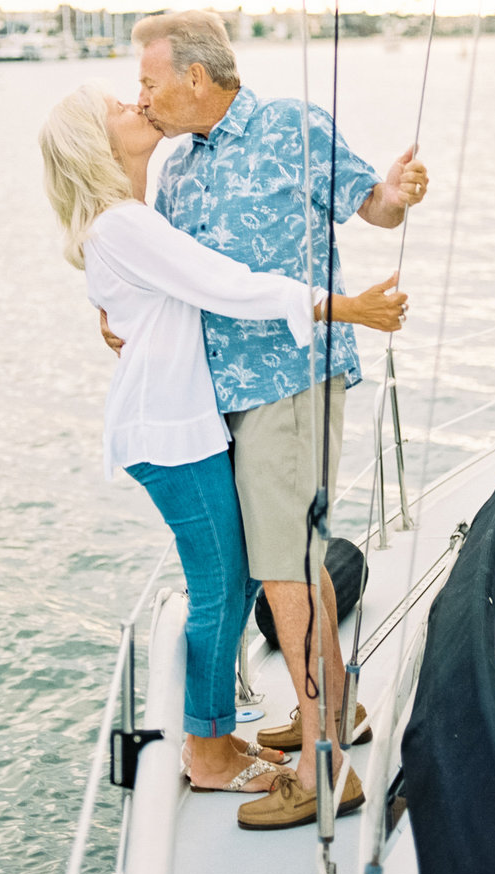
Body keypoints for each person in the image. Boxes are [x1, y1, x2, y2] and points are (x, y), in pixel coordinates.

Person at [39, 81, 408, 797]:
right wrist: (344, 307)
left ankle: (245, 727)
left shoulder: (132, 216)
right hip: (171, 430)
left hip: (180, 423)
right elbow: (226, 283)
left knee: (240, 576)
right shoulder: (123, 223)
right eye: (118, 106)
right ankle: (206, 751)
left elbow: (150, 292)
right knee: (220, 588)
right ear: (98, 144)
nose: (134, 102)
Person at [125, 10, 428, 831]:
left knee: (286, 567)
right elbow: (176, 274)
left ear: (195, 76)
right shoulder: (178, 167)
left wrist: (394, 196)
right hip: (225, 398)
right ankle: (335, 712)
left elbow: (371, 204)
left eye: (149, 78)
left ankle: (324, 768)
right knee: (288, 564)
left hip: (293, 381)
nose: (141, 94)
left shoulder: (293, 125)